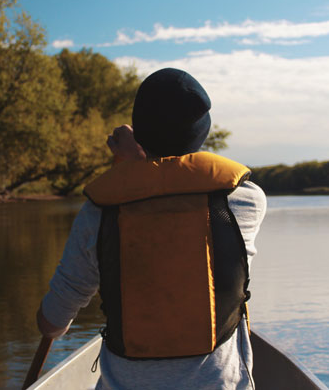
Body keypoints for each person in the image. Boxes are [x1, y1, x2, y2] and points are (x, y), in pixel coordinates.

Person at [36, 68, 267, 389]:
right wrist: (140, 165)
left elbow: (52, 322)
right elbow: (176, 188)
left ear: (140, 132)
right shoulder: (245, 201)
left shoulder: (99, 212)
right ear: (202, 130)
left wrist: (133, 167)